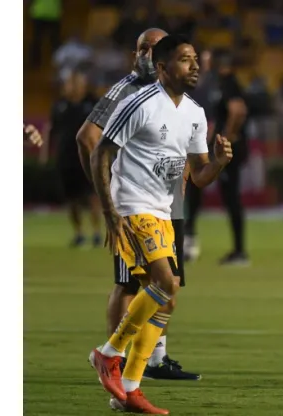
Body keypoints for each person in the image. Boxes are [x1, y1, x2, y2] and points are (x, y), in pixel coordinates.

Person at [88, 35, 232, 414]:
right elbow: (101, 152)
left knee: (168, 296)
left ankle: (132, 388)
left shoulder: (196, 113)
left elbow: (199, 176)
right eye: (186, 60)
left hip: (164, 210)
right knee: (163, 283)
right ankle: (109, 353)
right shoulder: (138, 103)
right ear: (163, 68)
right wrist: (109, 212)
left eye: (196, 59)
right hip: (132, 205)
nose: (196, 66)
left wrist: (217, 162)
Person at [78, 28, 200, 381]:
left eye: (155, 48)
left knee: (168, 286)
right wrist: (109, 195)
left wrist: (183, 175)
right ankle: (115, 358)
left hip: (165, 204)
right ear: (138, 54)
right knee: (130, 285)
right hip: (133, 204)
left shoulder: (176, 97)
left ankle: (152, 361)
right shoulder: (127, 90)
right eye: (143, 48)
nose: (148, 54)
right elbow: (89, 138)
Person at [184, 50, 250, 266]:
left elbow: (237, 110)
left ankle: (239, 251)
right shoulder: (212, 85)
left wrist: (227, 138)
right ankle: (189, 241)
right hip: (215, 148)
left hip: (226, 151)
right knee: (195, 187)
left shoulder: (227, 83)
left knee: (230, 197)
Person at [51, 70, 101, 247]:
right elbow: (52, 131)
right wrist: (48, 152)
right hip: (66, 158)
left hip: (88, 156)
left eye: (75, 83)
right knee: (72, 198)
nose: (71, 87)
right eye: (69, 83)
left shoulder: (93, 103)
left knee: (93, 196)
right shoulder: (59, 106)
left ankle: (97, 232)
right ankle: (79, 233)